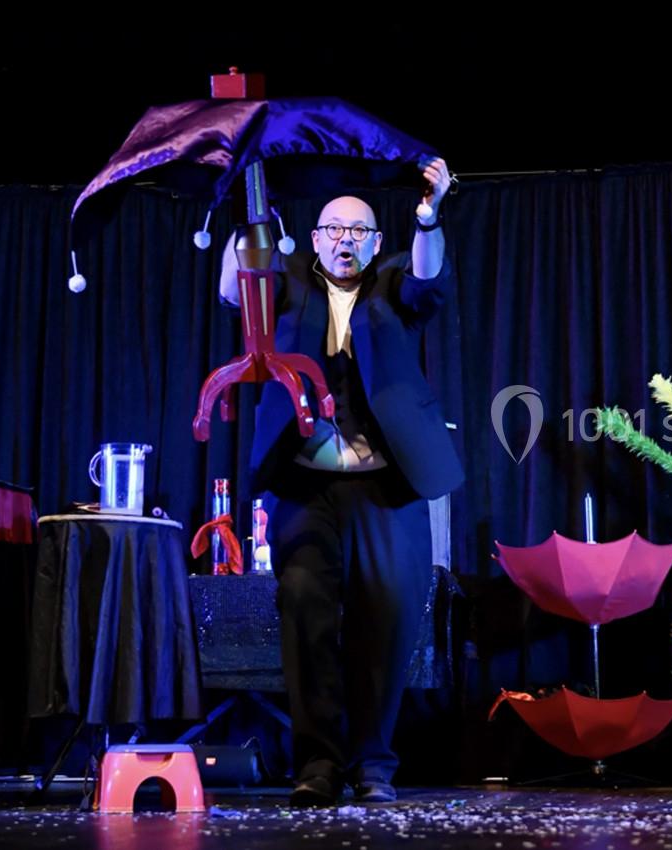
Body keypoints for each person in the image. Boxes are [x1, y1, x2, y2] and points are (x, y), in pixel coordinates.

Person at [219, 158, 464, 805]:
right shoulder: (290, 280)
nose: (345, 239)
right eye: (334, 229)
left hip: (388, 486)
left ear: (376, 242)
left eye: (358, 230)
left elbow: (430, 282)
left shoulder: (392, 285)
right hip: (305, 486)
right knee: (304, 611)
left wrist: (429, 214)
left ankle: (373, 766)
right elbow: (234, 288)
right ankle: (318, 766)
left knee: (387, 619)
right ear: (316, 236)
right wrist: (243, 205)